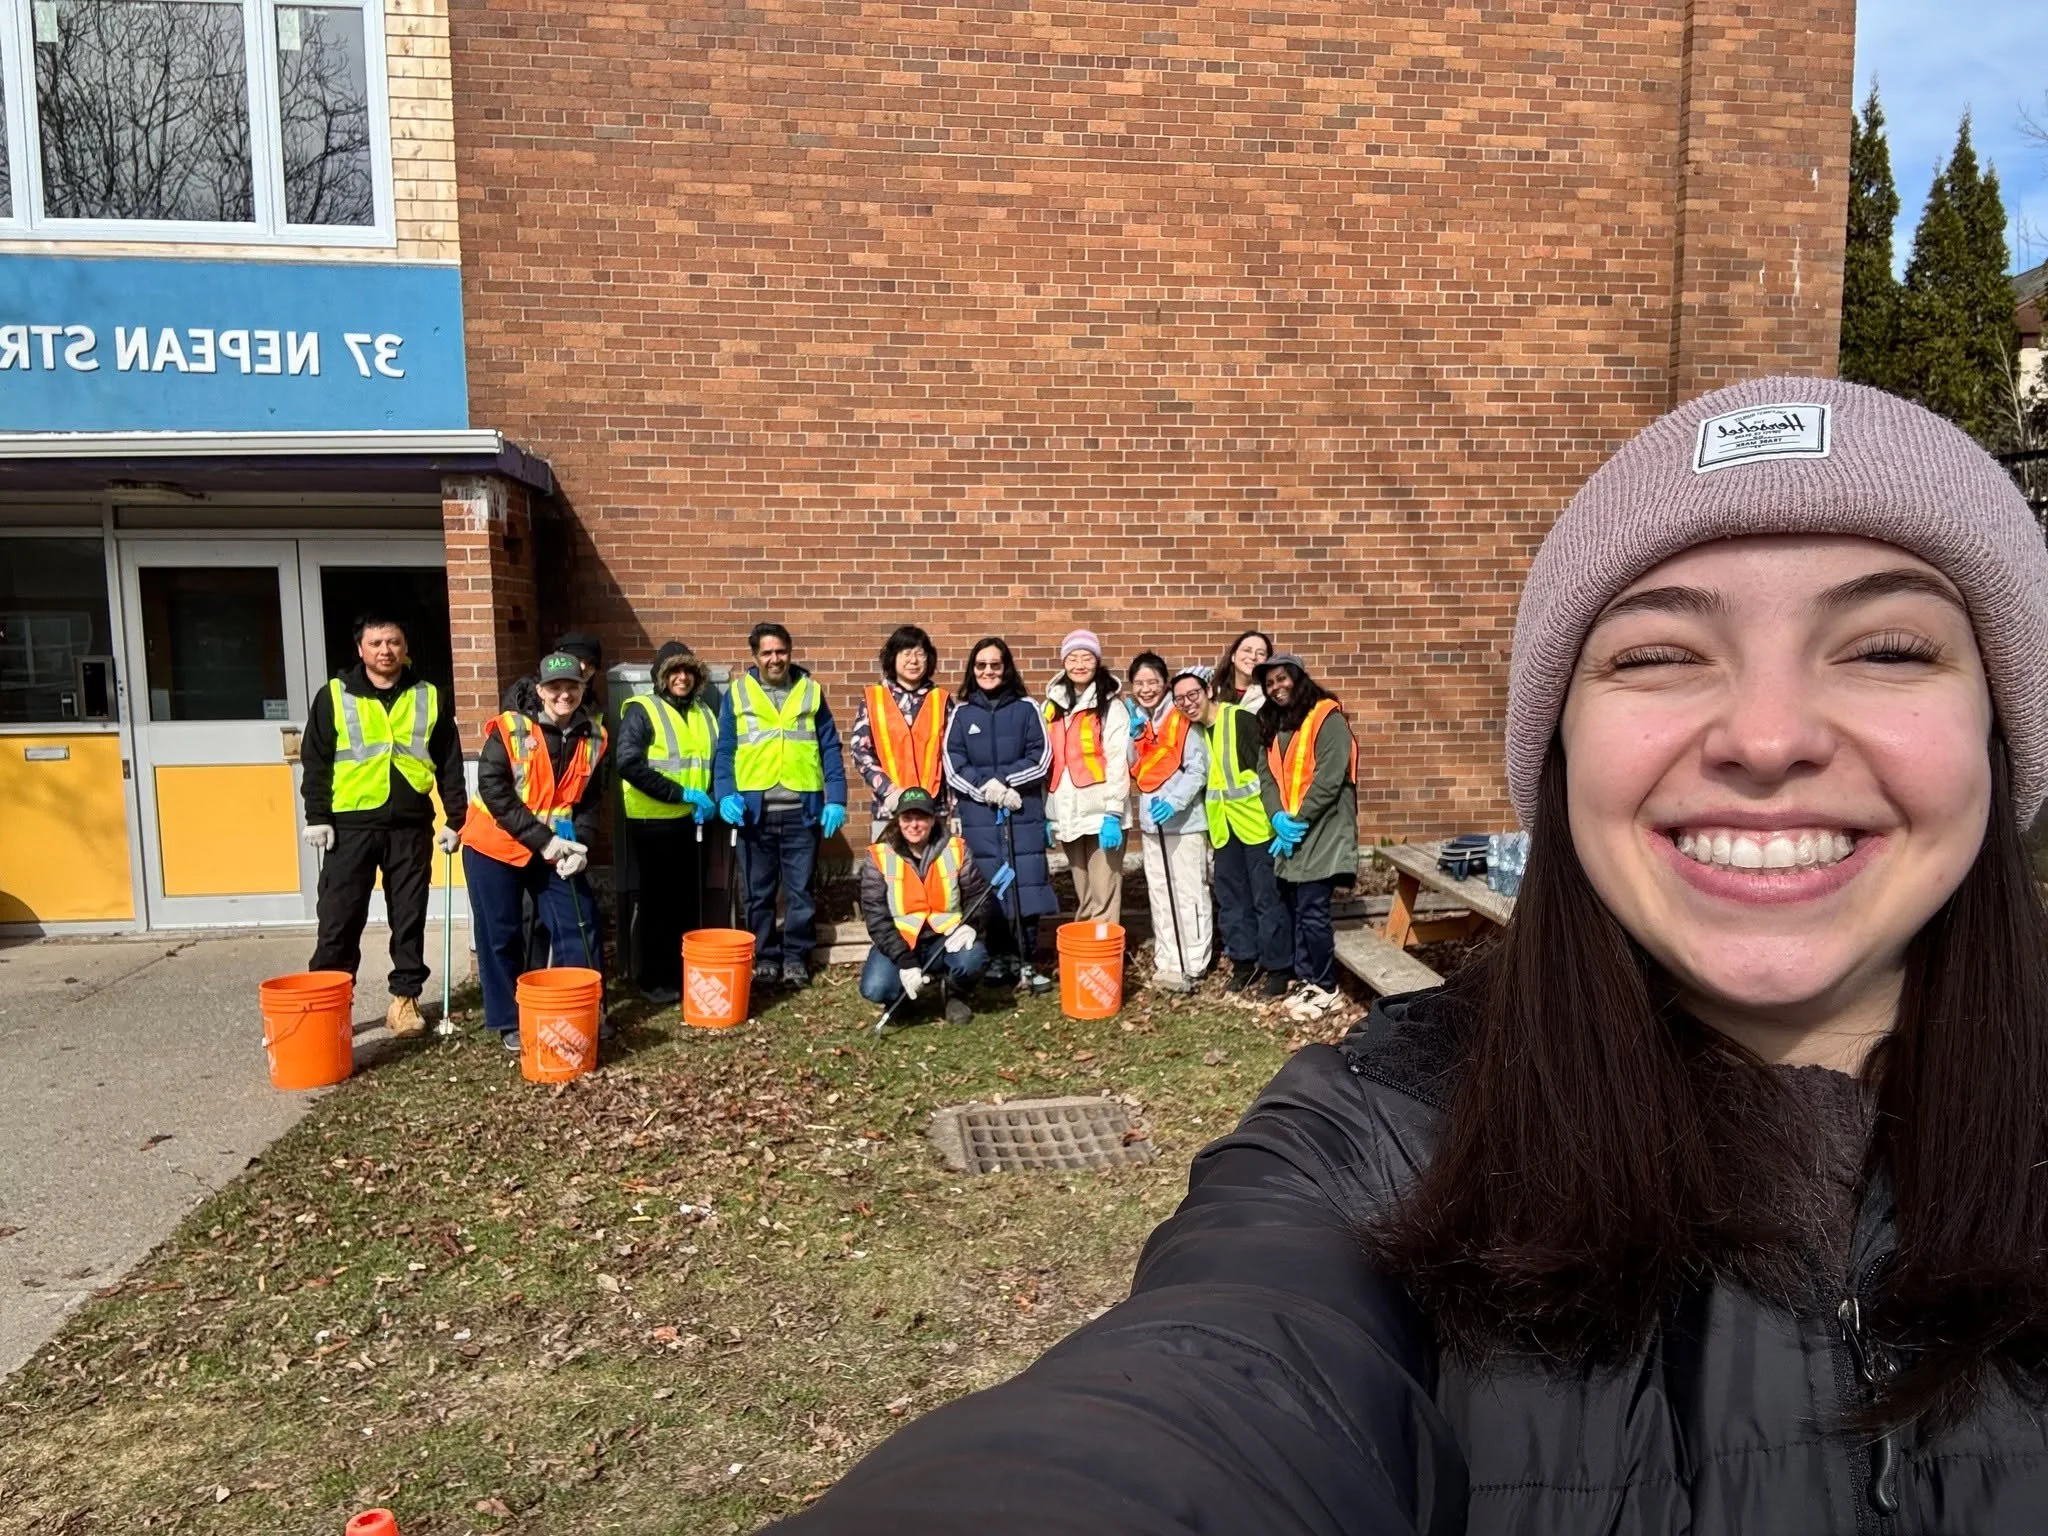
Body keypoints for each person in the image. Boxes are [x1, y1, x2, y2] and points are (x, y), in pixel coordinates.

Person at [764, 376, 2048, 1535]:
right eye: (1657, 653)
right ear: (1556, 751)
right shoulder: (1377, 1140)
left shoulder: (1297, 720)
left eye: (1886, 646)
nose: (1766, 738)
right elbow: (1217, 1379)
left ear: (2000, 732)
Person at [299, 609, 467, 1035]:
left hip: (410, 826)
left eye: (392, 642)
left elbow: (448, 760)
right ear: (361, 650)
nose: (385, 650)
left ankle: (405, 1002)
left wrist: (456, 816)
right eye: (375, 643)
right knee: (339, 918)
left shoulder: (430, 695)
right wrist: (317, 816)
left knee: (409, 917)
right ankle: (329, 1006)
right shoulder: (334, 695)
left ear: (405, 647)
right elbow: (315, 761)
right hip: (349, 826)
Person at [460, 651, 608, 1052]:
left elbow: (591, 799)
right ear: (540, 690)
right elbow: (494, 790)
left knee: (579, 923)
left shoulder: (594, 735)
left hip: (556, 849)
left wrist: (582, 846)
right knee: (500, 933)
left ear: (582, 689)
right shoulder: (510, 729)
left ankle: (584, 1007)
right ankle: (509, 1020)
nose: (564, 695)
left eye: (572, 687)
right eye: (555, 687)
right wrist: (544, 840)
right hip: (495, 845)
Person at [714, 623, 848, 989]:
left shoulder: (810, 691)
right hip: (753, 814)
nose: (775, 659)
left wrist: (835, 797)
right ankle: (766, 958)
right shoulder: (738, 694)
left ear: (790, 652)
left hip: (801, 812)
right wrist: (724, 793)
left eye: (781, 651)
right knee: (757, 893)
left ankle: (795, 959)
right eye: (767, 653)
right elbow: (725, 749)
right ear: (755, 657)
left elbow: (830, 748)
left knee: (799, 891)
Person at [945, 637, 1056, 992]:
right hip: (980, 815)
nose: (988, 671)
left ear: (1006, 668)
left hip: (1021, 812)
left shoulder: (1027, 708)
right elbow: (952, 763)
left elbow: (1041, 756)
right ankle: (996, 957)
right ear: (972, 669)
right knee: (987, 886)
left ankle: (1026, 959)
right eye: (981, 665)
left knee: (1026, 882)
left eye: (995, 664)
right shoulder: (962, 713)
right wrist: (986, 788)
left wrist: (1008, 784)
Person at [1177, 664, 1293, 998]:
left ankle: (1278, 967)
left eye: (1192, 694)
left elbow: (1270, 770)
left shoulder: (1239, 719)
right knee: (1232, 901)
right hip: (1224, 830)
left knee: (1267, 899)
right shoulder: (1194, 732)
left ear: (1209, 691)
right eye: (1180, 699)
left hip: (1257, 827)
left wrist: (1280, 818)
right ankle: (1244, 963)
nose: (1187, 703)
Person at [1256, 653, 1358, 1021]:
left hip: (1324, 829)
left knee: (1313, 911)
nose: (1276, 687)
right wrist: (1277, 817)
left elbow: (1331, 777)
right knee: (1296, 908)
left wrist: (1298, 819)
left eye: (1282, 679)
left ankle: (1327, 987)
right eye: (1269, 684)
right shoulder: (1275, 724)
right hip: (1293, 832)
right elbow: (1264, 775)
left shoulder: (1327, 718)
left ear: (1298, 678)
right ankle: (1308, 980)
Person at [615, 641, 718, 1003]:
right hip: (653, 822)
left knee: (688, 902)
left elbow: (714, 761)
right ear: (661, 677)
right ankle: (654, 979)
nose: (681, 678)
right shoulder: (643, 711)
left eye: (688, 671)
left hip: (694, 822)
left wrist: (713, 798)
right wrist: (681, 794)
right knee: (658, 905)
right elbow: (628, 763)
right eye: (674, 671)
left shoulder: (704, 713)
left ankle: (683, 974)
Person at [857, 787, 994, 1025]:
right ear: (898, 820)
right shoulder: (878, 856)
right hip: (900, 940)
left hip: (945, 937)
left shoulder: (956, 848)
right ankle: (900, 999)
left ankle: (955, 994)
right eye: (907, 818)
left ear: (933, 819)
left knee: (973, 959)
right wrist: (904, 961)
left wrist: (971, 925)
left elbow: (978, 895)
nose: (914, 825)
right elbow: (875, 916)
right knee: (875, 987)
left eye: (921, 817)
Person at [1127, 654, 1212, 992]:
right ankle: (1168, 960)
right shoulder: (1141, 721)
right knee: (1160, 893)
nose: (1146, 689)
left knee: (1189, 893)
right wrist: (1135, 739)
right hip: (1152, 825)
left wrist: (1175, 802)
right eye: (1139, 684)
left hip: (1185, 823)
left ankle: (1194, 962)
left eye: (1152, 682)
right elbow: (1135, 768)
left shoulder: (1181, 718)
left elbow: (1198, 770)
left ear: (1164, 683)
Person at [1042, 630, 1132, 925]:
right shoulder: (1053, 707)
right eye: (1072, 657)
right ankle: (1084, 959)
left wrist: (1113, 813)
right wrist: (1046, 812)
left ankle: (1101, 961)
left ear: (1097, 662)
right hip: (1068, 814)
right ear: (1063, 662)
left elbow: (1118, 760)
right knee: (1085, 894)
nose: (1079, 664)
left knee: (1104, 895)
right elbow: (1047, 761)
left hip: (1102, 814)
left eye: (1086, 657)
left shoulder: (1111, 707)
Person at [850, 625, 948, 831]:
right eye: (906, 654)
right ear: (893, 658)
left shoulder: (941, 700)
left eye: (919, 654)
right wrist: (889, 790)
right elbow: (860, 751)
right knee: (889, 863)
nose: (913, 660)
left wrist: (955, 809)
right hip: (890, 808)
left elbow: (953, 755)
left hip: (935, 810)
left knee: (940, 863)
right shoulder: (874, 699)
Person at [1211, 628, 1273, 711]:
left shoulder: (1270, 696)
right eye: (1247, 650)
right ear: (1233, 656)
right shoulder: (1212, 689)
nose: (1253, 657)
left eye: (1261, 653)